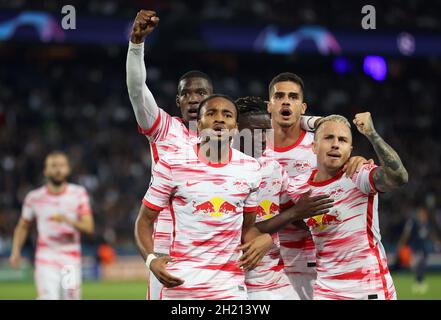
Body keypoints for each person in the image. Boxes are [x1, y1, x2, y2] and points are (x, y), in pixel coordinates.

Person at [127, 10, 318, 299]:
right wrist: (136, 45)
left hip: (222, 258)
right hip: (168, 244)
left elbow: (272, 119)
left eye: (201, 93)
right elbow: (137, 91)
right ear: (178, 100)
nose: (193, 98)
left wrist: (313, 122)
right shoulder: (166, 130)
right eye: (187, 93)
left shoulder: (236, 147)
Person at [134, 94, 275, 299]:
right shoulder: (172, 163)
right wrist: (151, 260)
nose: (219, 119)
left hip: (229, 288)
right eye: (211, 113)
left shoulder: (251, 169)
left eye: (227, 115)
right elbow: (143, 222)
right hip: (181, 284)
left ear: (235, 128)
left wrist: (266, 240)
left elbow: (247, 228)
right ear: (198, 125)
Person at [263, 73, 371, 299]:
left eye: (292, 97)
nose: (285, 101)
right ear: (269, 105)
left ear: (302, 107)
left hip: (316, 264)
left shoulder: (320, 146)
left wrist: (356, 161)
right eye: (279, 96)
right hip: (269, 266)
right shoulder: (256, 153)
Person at [287, 113, 408, 299]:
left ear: (350, 150)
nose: (336, 144)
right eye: (329, 138)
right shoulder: (297, 186)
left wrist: (372, 134)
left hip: (368, 289)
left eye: (342, 140)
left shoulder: (359, 175)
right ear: (314, 146)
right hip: (325, 291)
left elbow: (399, 177)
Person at [236, 97, 333, 299]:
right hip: (235, 278)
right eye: (255, 131)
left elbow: (298, 213)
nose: (263, 138)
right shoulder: (221, 173)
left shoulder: (273, 168)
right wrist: (294, 213)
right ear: (236, 130)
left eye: (266, 131)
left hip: (273, 277)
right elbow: (235, 230)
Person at [9, 151, 94, 300]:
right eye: (53, 166)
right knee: (48, 297)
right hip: (46, 259)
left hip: (70, 261)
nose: (58, 170)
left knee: (71, 298)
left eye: (61, 165)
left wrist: (68, 220)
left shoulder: (78, 194)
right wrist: (15, 250)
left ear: (68, 169)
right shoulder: (34, 198)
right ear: (46, 170)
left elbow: (89, 227)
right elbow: (23, 226)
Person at [398, 206, 441, 294]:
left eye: (423, 215)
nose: (422, 216)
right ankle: (419, 282)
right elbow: (407, 234)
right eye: (421, 214)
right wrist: (402, 243)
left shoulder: (427, 224)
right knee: (417, 265)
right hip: (415, 247)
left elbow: (431, 234)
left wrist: (436, 242)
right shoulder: (414, 223)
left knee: (422, 264)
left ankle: (419, 282)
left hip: (423, 248)